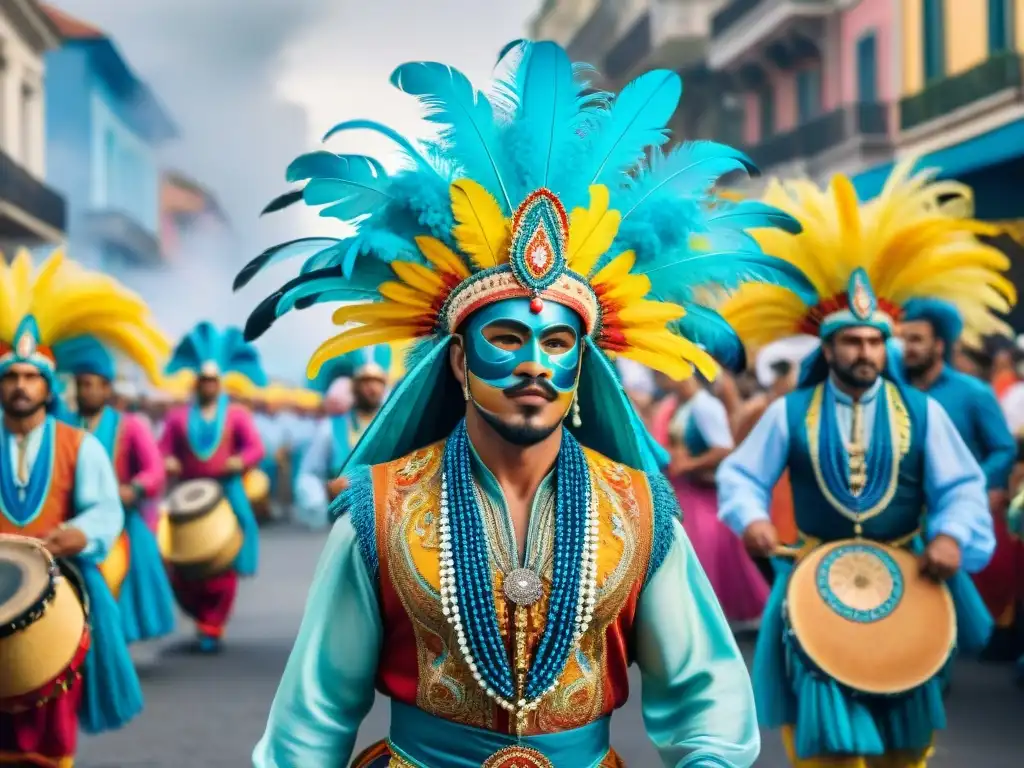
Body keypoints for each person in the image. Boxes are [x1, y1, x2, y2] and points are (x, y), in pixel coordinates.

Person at [237, 39, 817, 767]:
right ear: (458, 357)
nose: (534, 362)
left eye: (558, 343)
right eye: (507, 337)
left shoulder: (638, 510)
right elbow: (310, 719)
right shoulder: (378, 510)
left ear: (583, 363)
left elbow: (709, 698)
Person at [716, 162, 1003, 766]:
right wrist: (750, 518)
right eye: (852, 341)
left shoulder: (923, 412)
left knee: (907, 734)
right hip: (813, 578)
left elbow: (961, 485)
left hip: (909, 578)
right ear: (829, 347)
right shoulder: (789, 412)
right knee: (825, 733)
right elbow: (741, 475)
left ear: (886, 347)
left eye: (875, 342)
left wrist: (952, 535)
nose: (865, 352)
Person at [0, 249, 143, 766]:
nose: (20, 386)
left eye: (30, 377)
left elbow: (105, 510)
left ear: (47, 385)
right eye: (11, 376)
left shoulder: (78, 445)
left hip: (58, 583)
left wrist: (78, 535)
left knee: (52, 720)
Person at [899, 301, 1021, 647]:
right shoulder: (891, 391)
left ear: (939, 345)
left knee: (946, 602)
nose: (908, 348)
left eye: (917, 339)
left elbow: (1003, 448)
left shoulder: (973, 393)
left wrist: (975, 485)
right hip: (903, 516)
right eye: (903, 339)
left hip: (950, 515)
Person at [53, 330, 177, 647]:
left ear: (106, 388)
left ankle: (113, 643)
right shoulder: (66, 425)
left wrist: (134, 489)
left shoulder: (130, 425)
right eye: (80, 384)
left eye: (91, 384)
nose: (85, 391)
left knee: (127, 578)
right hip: (76, 522)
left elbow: (154, 469)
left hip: (123, 518)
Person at [160, 321, 267, 653]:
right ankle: (200, 616)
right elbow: (161, 449)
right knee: (177, 559)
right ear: (196, 382)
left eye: (212, 380)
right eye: (203, 380)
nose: (207, 385)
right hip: (188, 494)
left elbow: (255, 448)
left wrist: (240, 461)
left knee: (226, 557)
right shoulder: (178, 418)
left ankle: (213, 623)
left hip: (225, 491)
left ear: (219, 383)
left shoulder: (236, 416)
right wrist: (168, 462)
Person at [663, 372, 768, 628]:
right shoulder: (684, 405)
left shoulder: (704, 406)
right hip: (690, 492)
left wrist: (689, 465)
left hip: (706, 495)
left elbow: (724, 449)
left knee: (707, 559)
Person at [295, 346, 393, 528]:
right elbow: (308, 474)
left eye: (378, 381)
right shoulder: (331, 427)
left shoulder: (395, 426)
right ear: (355, 386)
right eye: (366, 381)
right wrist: (328, 489)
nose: (372, 388)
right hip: (344, 520)